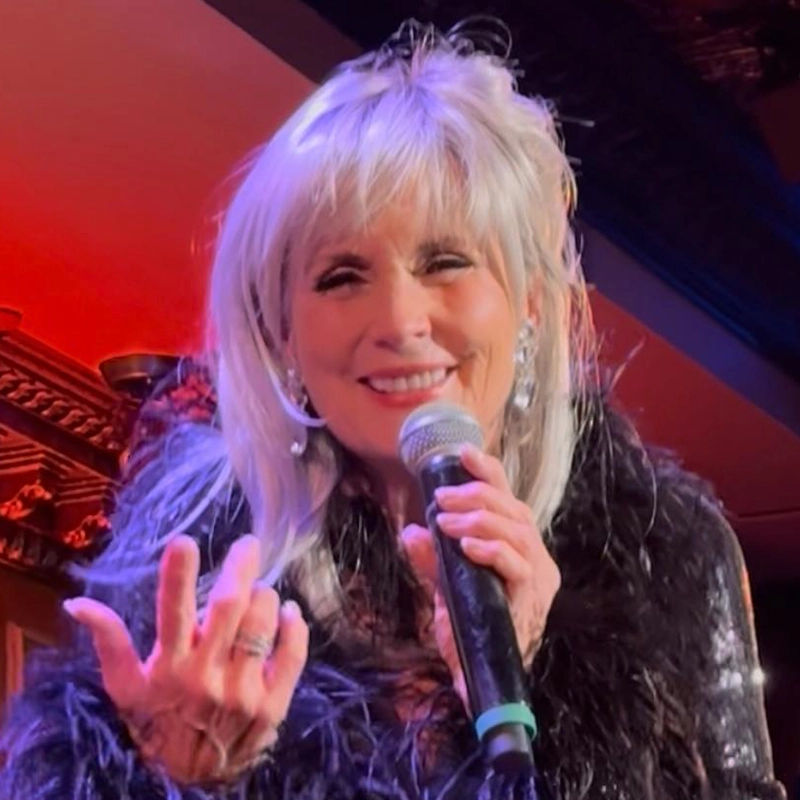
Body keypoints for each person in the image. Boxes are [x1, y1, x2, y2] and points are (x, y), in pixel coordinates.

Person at [0, 20, 785, 800]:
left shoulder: (662, 549)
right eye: (342, 276)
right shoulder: (191, 557)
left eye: (446, 262)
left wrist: (535, 685)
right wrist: (174, 780)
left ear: (531, 307)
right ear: (281, 331)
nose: (401, 323)